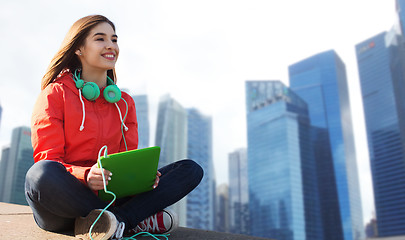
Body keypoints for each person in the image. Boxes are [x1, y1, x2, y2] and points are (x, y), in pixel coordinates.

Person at [25, 15, 203, 240]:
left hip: (109, 195)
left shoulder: (124, 103)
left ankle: (115, 222)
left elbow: (125, 161)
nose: (111, 45)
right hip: (64, 202)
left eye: (114, 39)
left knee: (190, 169)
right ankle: (129, 220)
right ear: (79, 48)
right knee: (40, 174)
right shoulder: (55, 94)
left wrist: (143, 179)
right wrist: (87, 176)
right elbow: (48, 158)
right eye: (100, 39)